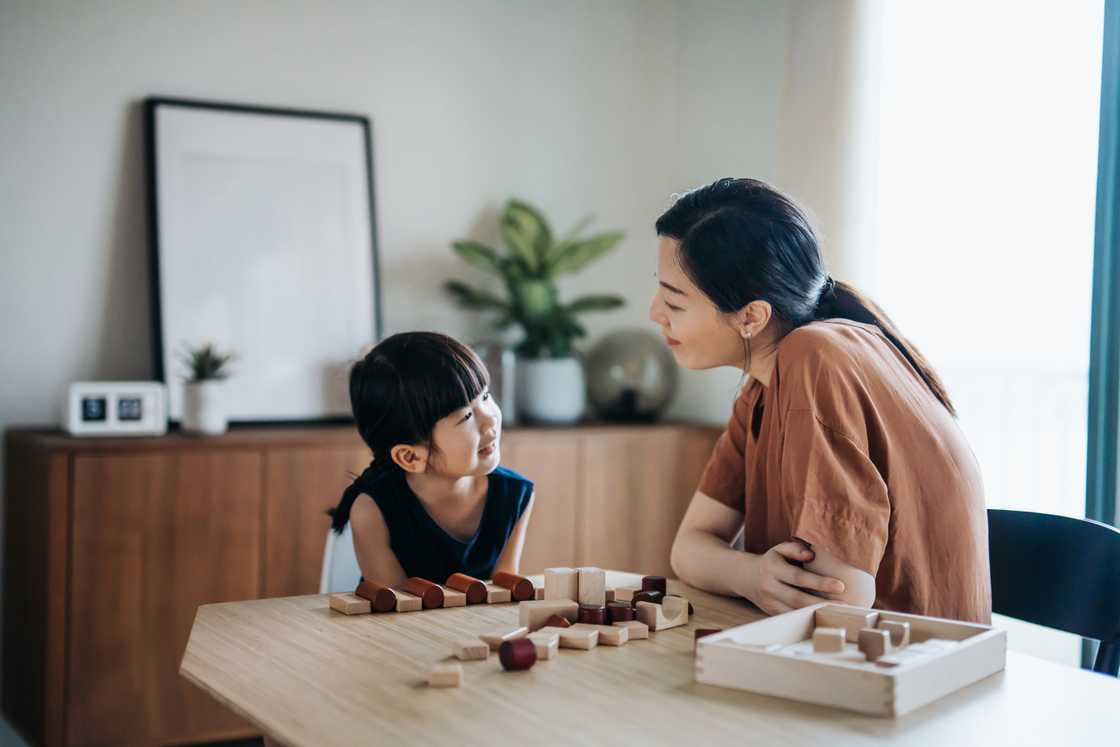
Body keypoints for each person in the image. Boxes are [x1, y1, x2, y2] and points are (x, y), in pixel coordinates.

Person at [652, 178, 990, 623]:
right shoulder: (761, 387)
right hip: (849, 658)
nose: (654, 313)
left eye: (674, 304)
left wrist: (739, 572)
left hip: (908, 667)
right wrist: (751, 574)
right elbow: (689, 548)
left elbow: (836, 597)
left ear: (752, 316)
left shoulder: (815, 357)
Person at [328, 331, 534, 586]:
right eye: (466, 417)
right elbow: (391, 609)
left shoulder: (515, 494)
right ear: (410, 456)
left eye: (485, 396)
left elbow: (505, 589)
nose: (490, 418)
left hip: (478, 625)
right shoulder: (371, 510)